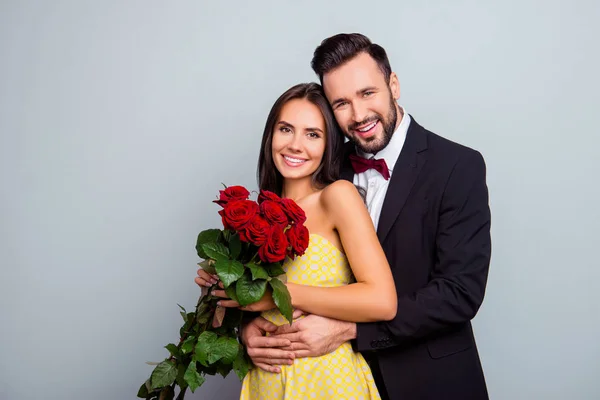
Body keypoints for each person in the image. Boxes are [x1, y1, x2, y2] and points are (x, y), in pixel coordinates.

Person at [238, 33, 492, 399]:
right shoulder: (318, 159)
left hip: (432, 379)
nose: (358, 116)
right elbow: (285, 269)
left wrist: (350, 328)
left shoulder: (457, 166)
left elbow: (460, 292)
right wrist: (251, 330)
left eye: (367, 94)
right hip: (333, 380)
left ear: (394, 84)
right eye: (341, 103)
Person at [196, 82, 397, 399]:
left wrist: (279, 296)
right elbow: (251, 306)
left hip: (327, 381)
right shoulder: (257, 218)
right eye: (285, 129)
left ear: (329, 144)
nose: (295, 145)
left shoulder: (337, 197)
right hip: (268, 382)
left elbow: (382, 301)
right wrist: (220, 287)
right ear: (270, 136)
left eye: (313, 134)